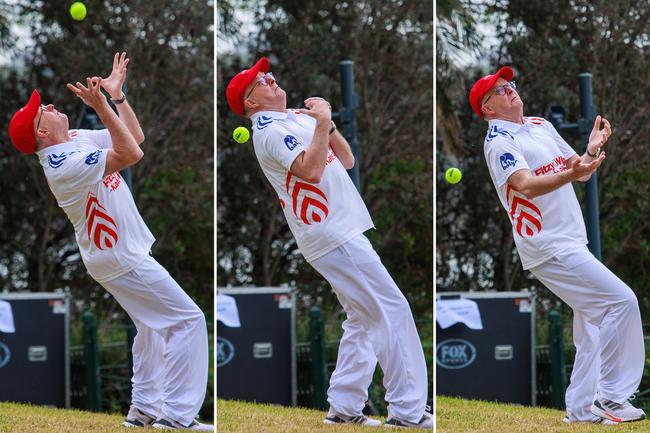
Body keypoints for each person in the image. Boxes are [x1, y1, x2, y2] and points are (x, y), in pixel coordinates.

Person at [8, 52, 212, 431]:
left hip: (117, 254)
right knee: (188, 320)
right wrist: (101, 106)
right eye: (43, 110)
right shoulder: (60, 164)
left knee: (150, 326)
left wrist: (117, 100)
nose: (50, 105)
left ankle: (144, 411)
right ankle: (178, 417)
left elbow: (135, 138)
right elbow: (131, 155)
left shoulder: (73, 139)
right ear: (41, 132)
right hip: (119, 256)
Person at [226, 57, 432, 429]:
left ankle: (344, 407)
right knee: (391, 309)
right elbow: (311, 170)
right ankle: (408, 411)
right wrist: (320, 121)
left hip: (341, 230)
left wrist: (327, 123)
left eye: (271, 75)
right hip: (331, 233)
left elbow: (348, 159)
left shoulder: (293, 119)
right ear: (250, 103)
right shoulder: (269, 131)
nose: (272, 81)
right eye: (262, 82)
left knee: (360, 319)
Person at [470, 66, 646, 424]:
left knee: (592, 328)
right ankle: (611, 398)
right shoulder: (499, 141)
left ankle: (580, 411)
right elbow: (525, 185)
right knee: (621, 301)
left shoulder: (538, 124)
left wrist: (590, 151)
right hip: (548, 246)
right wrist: (574, 172)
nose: (511, 91)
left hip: (571, 240)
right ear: (487, 108)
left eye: (510, 85)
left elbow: (575, 166)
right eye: (501, 90)